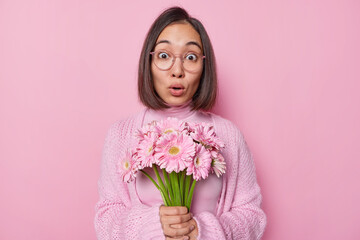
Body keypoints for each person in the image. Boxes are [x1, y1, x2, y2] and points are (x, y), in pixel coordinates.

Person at [94, 6, 267, 240]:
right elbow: (106, 218)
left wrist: (203, 230)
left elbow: (252, 216)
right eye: (164, 55)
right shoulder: (121, 135)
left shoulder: (229, 136)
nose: (177, 71)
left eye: (191, 57)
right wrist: (155, 224)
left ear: (204, 67)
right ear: (149, 62)